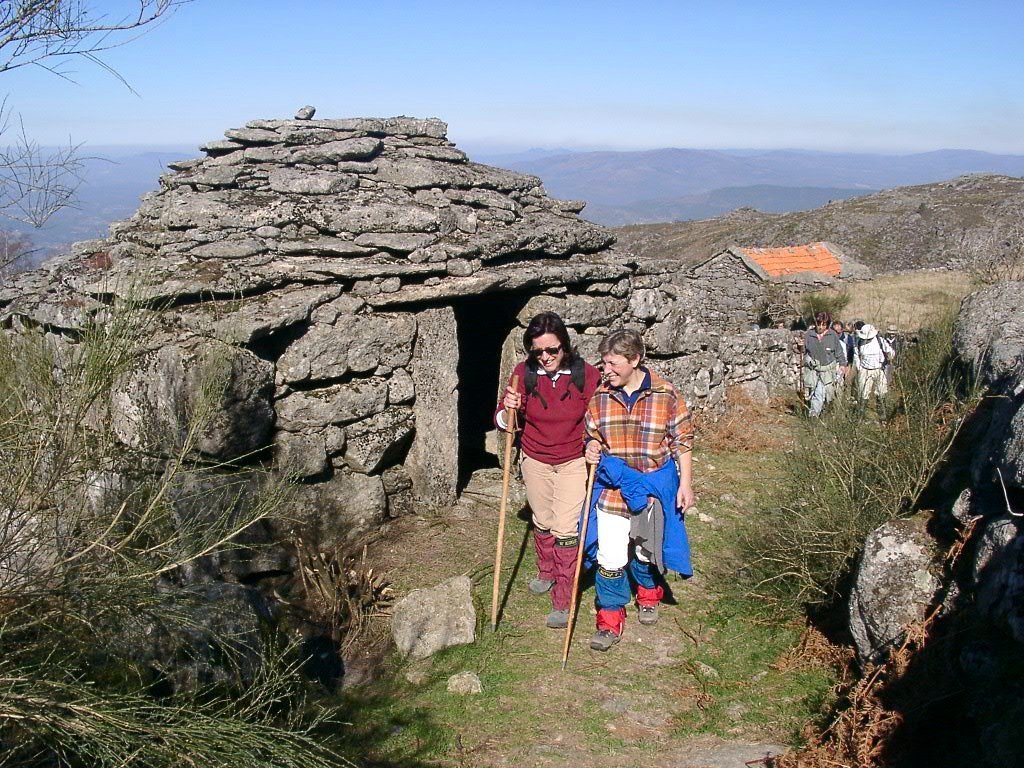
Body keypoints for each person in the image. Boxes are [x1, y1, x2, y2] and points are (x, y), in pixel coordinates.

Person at [582, 329, 694, 651]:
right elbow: (591, 435)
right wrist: (591, 447)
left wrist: (685, 484)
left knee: (646, 551)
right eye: (604, 364)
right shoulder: (601, 397)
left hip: (651, 489)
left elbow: (682, 440)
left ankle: (648, 592)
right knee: (610, 555)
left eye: (613, 364)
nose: (606, 371)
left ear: (635, 359)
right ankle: (610, 617)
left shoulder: (665, 393)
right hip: (613, 488)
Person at [495, 312, 601, 629]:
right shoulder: (523, 373)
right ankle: (547, 570)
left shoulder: (586, 374)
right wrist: (509, 409)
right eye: (538, 351)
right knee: (542, 520)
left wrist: (596, 442)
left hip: (572, 460)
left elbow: (600, 416)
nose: (545, 357)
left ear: (564, 345)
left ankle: (563, 599)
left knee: (565, 529)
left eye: (552, 350)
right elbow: (503, 421)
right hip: (535, 459)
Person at [802, 311, 847, 416]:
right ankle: (813, 417)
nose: (821, 327)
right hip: (813, 371)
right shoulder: (809, 335)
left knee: (828, 395)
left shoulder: (832, 335)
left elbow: (839, 352)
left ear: (827, 324)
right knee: (817, 394)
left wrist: (842, 365)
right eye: (819, 324)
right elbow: (803, 351)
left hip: (828, 371)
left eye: (824, 324)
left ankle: (824, 414)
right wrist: (800, 346)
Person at [853, 323, 895, 416]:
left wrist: (890, 356)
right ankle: (861, 415)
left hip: (878, 369)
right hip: (864, 370)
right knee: (863, 392)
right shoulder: (858, 342)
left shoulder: (880, 340)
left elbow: (890, 351)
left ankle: (882, 414)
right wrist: (859, 368)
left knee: (881, 391)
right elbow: (856, 356)